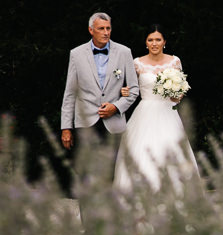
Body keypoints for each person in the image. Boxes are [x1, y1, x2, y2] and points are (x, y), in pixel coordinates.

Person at [60, 12, 139, 222]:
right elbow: (70, 93)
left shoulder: (124, 52)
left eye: (108, 28)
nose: (106, 32)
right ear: (91, 30)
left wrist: (116, 106)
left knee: (112, 176)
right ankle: (90, 227)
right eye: (101, 28)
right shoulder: (76, 54)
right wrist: (66, 127)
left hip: (114, 125)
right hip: (85, 123)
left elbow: (134, 90)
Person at [113, 25, 199, 194]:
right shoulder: (137, 63)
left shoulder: (174, 61)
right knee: (142, 151)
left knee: (171, 148)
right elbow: (129, 89)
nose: (154, 43)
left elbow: (178, 96)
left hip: (168, 112)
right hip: (144, 112)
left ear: (164, 42)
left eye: (158, 39)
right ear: (146, 43)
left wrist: (173, 91)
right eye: (150, 40)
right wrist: (123, 91)